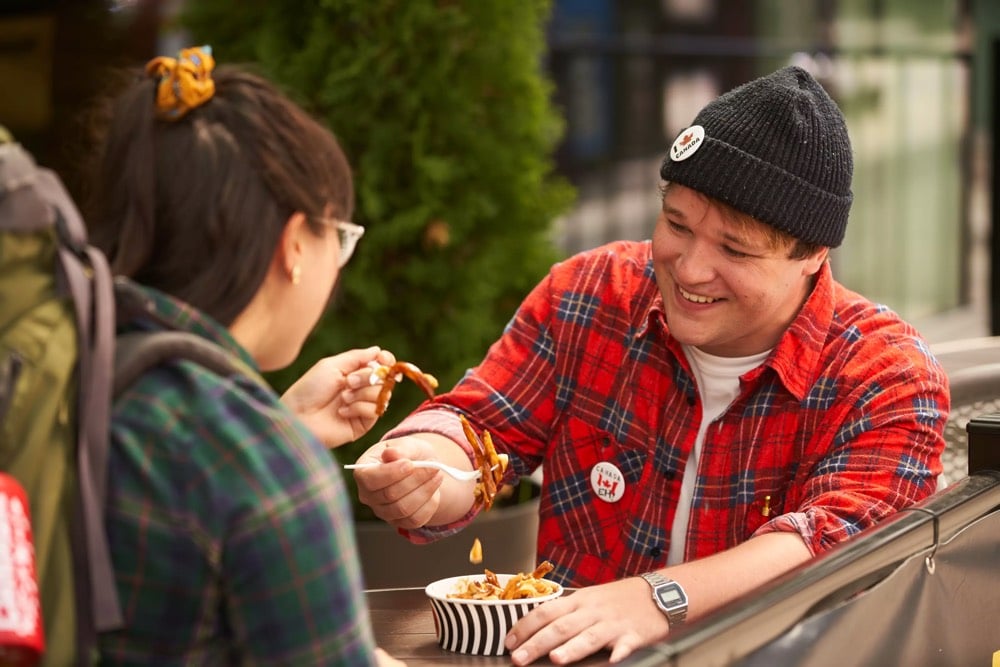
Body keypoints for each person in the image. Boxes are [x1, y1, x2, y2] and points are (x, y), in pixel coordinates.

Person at [349, 65, 950, 665]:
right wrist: (425, 466)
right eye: (676, 225)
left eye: (734, 249)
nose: (688, 269)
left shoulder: (887, 373)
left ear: (813, 256)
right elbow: (482, 425)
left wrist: (658, 600)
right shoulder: (589, 293)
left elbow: (829, 545)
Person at [83, 46, 404, 666]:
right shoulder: (263, 469)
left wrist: (284, 424)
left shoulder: (60, 361)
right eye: (337, 237)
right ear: (292, 245)